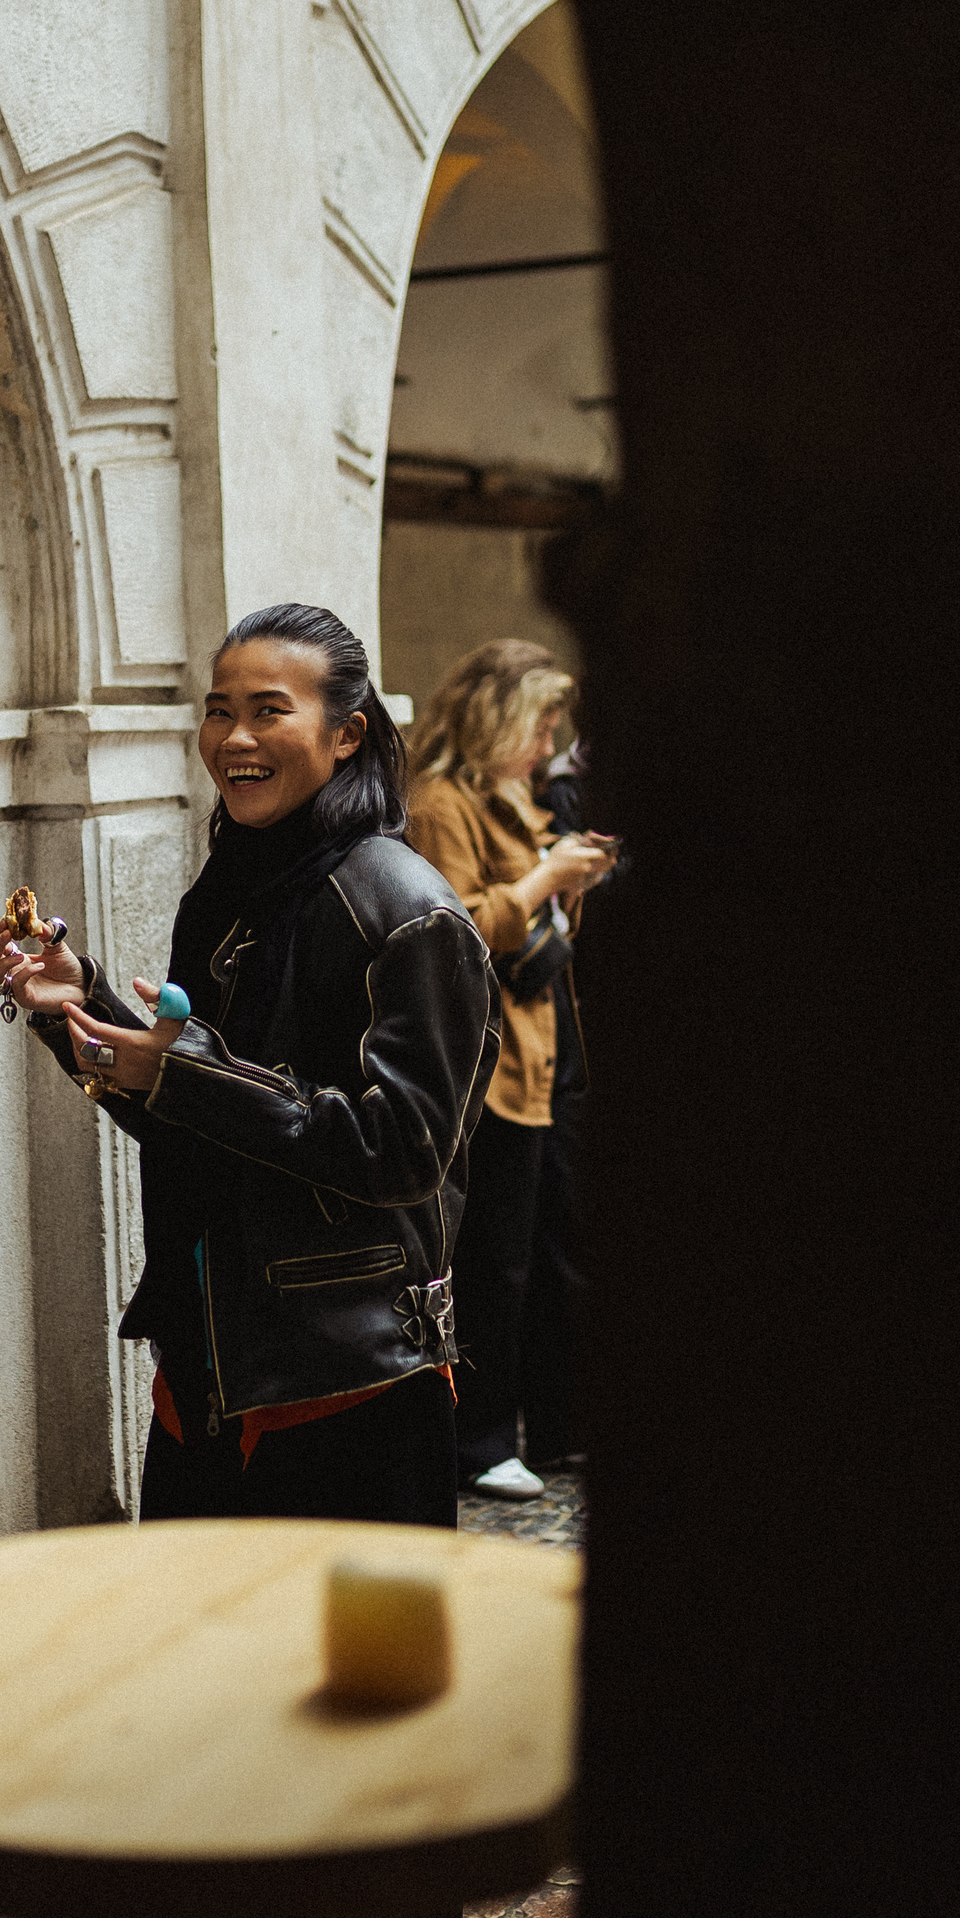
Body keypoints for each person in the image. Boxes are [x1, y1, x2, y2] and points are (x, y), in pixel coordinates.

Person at [0, 602, 498, 1918]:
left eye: (269, 709)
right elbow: (205, 1123)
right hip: (207, 1384)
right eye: (217, 710)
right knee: (209, 1736)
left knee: (377, 1760)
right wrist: (92, 1025)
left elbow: (403, 1153)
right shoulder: (239, 890)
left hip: (353, 1397)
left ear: (350, 731)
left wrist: (175, 1068)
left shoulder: (408, 911)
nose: (233, 737)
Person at [405, 640, 614, 1497]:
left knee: (558, 1242)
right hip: (492, 1064)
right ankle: (481, 1441)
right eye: (542, 719)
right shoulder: (441, 801)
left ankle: (558, 1425)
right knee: (497, 1257)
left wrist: (571, 883)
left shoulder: (511, 792)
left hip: (550, 1046)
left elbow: (536, 928)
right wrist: (546, 878)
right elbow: (454, 926)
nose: (551, 738)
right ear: (497, 712)